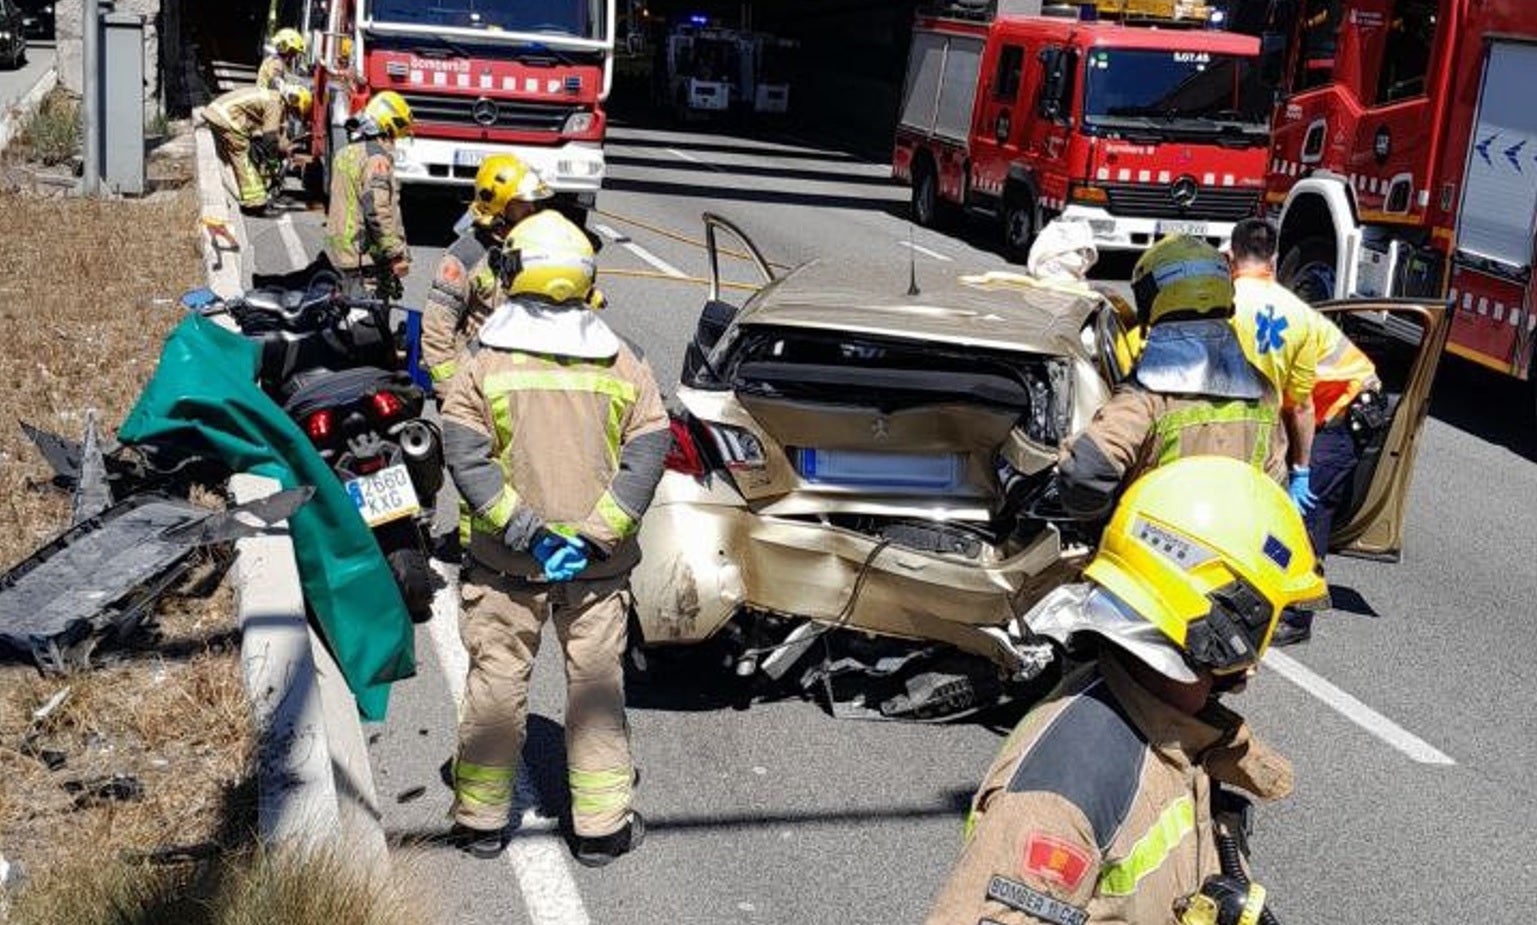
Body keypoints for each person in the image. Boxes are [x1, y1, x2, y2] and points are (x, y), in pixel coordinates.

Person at [927, 455, 1329, 925]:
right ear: (1221, 624)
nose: (1260, 660)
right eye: (1266, 629)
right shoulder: (1061, 796)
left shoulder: (1169, 725)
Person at [439, 210, 669, 865]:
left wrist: (528, 534)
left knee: (495, 685)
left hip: (506, 565)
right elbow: (648, 450)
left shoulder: (484, 362)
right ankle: (599, 827)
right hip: (596, 573)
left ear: (515, 273)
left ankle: (481, 820)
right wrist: (594, 537)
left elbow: (467, 456)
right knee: (595, 691)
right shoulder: (623, 359)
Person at [1227, 218, 1385, 646]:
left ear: (1230, 258)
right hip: (1336, 401)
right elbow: (1293, 403)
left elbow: (1297, 407)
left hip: (1343, 409)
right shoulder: (1294, 308)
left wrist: (1300, 470)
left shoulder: (1226, 306)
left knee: (1306, 510)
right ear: (1274, 261)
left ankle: (1298, 615)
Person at [1056, 235, 1285, 519]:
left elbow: (1086, 473)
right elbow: (1276, 490)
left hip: (1154, 554)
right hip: (1238, 551)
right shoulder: (1263, 391)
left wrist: (1099, 522)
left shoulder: (1147, 395)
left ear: (1152, 299)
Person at [421, 154, 553, 387]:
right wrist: (451, 390)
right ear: (499, 206)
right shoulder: (465, 256)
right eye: (522, 203)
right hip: (480, 381)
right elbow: (437, 330)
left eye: (534, 202)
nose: (532, 209)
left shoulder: (541, 248)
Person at [1228, 218, 1330, 517]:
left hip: (1212, 436)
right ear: (1273, 259)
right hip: (1265, 448)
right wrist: (1301, 471)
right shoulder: (1302, 315)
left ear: (1230, 256)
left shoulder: (1219, 302)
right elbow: (1301, 407)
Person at [323, 90, 413, 292]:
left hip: (339, 253)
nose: (395, 143)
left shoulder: (347, 152)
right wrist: (395, 255)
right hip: (363, 259)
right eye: (397, 136)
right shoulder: (377, 160)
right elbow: (377, 211)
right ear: (389, 128)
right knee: (365, 320)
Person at [203, 84, 312, 214]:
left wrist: (285, 148)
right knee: (242, 156)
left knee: (232, 160)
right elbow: (270, 138)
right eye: (295, 111)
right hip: (228, 118)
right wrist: (273, 162)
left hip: (220, 113)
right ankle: (255, 203)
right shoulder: (275, 104)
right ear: (292, 100)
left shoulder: (274, 98)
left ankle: (241, 195)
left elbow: (274, 134)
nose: (293, 115)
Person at [258, 27, 306, 91]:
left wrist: (301, 83)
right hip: (269, 98)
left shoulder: (279, 61)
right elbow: (275, 82)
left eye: (295, 52)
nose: (294, 56)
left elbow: (287, 78)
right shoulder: (276, 62)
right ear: (284, 46)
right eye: (293, 51)